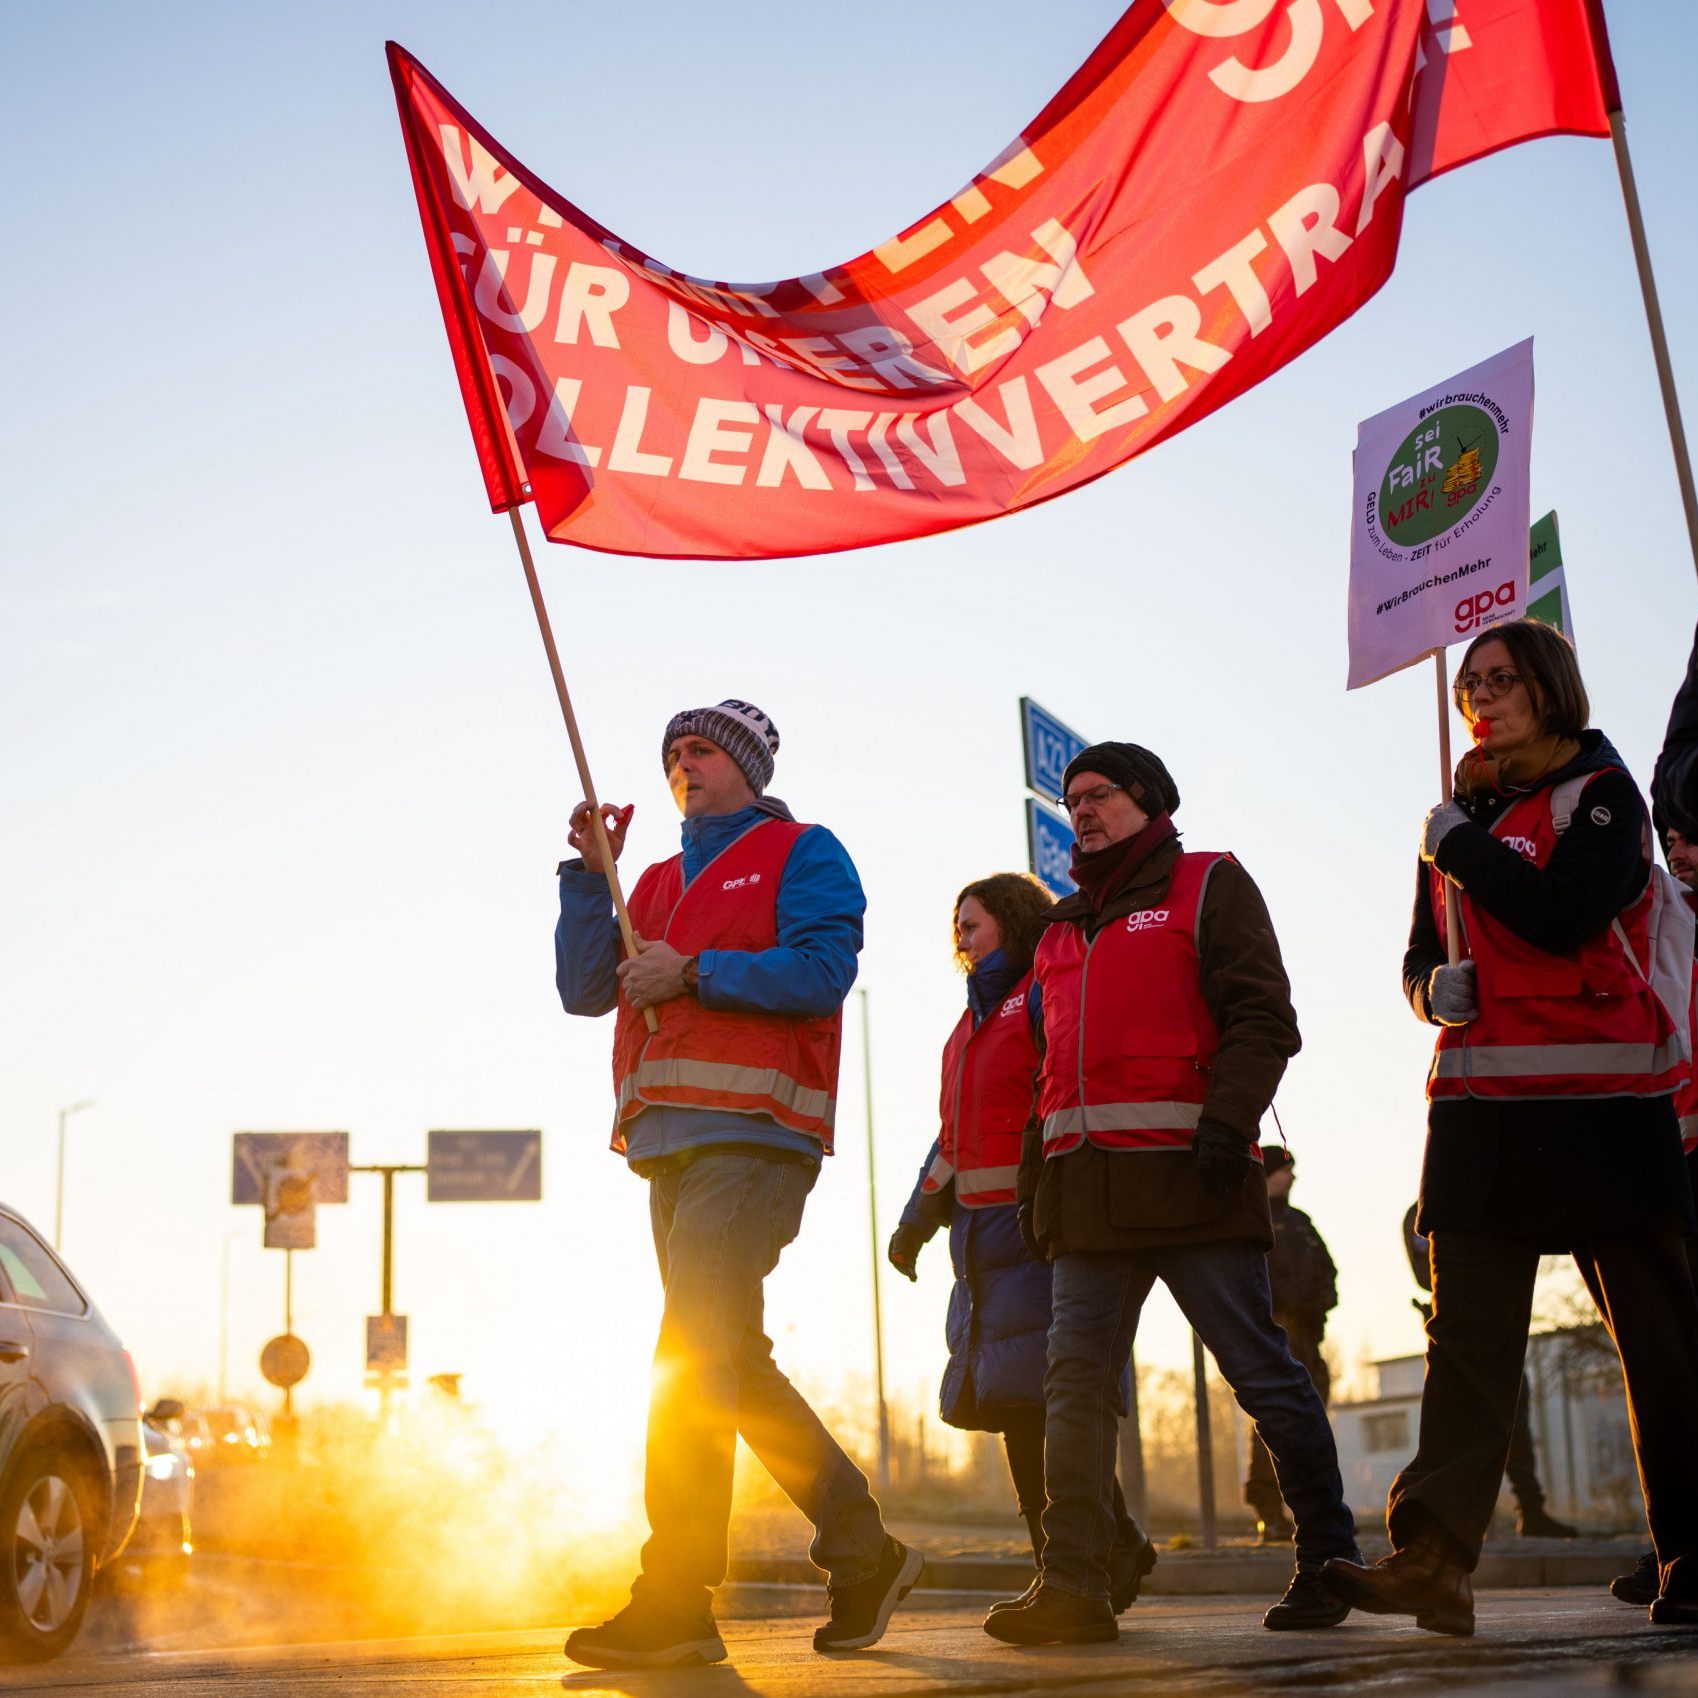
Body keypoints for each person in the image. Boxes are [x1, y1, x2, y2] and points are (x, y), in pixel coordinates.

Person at [1325, 619, 1698, 1633]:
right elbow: (1421, 951)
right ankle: (1433, 1561)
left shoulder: (1603, 794)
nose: (1482, 696)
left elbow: (1565, 912)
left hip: (1606, 1111)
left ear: (1549, 689)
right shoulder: (1453, 819)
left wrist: (1457, 846)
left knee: (1663, 1345)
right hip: (1482, 1113)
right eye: (1472, 683)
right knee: (1467, 1345)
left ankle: (1696, 1557)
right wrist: (1423, 992)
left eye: (1504, 679)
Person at [553, 699, 921, 1669]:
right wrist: (592, 882)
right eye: (673, 750)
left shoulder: (804, 850)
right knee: (720, 1359)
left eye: (703, 747)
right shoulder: (661, 877)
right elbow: (586, 988)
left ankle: (676, 1597)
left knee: (691, 1360)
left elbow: (820, 970)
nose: (684, 760)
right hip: (669, 1146)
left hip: (756, 1136)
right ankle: (859, 1550)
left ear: (748, 766)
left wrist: (694, 974)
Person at [986, 742, 1361, 1646]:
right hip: (1086, 1196)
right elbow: (1050, 1069)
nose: (1082, 809)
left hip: (1192, 1180)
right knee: (1072, 1390)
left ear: (1147, 802)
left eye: (1100, 795)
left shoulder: (1209, 884)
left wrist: (1224, 1131)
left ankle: (1328, 1562)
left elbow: (1267, 1020)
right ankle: (1072, 1583)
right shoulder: (1061, 930)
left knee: (1263, 1372)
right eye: (1073, 797)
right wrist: (1039, 1181)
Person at [888, 873, 1156, 1611]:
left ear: (1011, 920)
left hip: (1037, 1226)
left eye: (972, 925)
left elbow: (1063, 1090)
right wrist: (916, 1221)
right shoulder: (964, 1029)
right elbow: (953, 1138)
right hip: (980, 1241)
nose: (962, 940)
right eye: (957, 930)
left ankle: (1082, 1559)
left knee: (1045, 1398)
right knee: (1014, 1402)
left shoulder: (1039, 995)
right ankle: (1101, 1550)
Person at [1608, 820, 1698, 1608]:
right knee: (1670, 1365)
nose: (1683, 853)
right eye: (1673, 836)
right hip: (1668, 1158)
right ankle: (1681, 1544)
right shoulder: (1664, 915)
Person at [1400, 1203, 1575, 1539]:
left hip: (1498, 1320)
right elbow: (1428, 1271)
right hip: (1461, 1327)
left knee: (1515, 1419)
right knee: (1463, 1427)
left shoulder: (1492, 1202)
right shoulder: (1425, 1212)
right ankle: (1467, 1520)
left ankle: (1530, 1509)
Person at [1243, 1148, 1338, 1545]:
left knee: (1311, 1422)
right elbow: (1248, 1279)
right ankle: (1269, 1511)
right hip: (1273, 1334)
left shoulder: (1300, 1224)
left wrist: (1317, 1304)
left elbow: (1328, 1273)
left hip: (1307, 1337)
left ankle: (1313, 1512)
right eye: (1285, 1171)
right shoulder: (1250, 1219)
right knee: (1273, 1421)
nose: (1291, 1178)